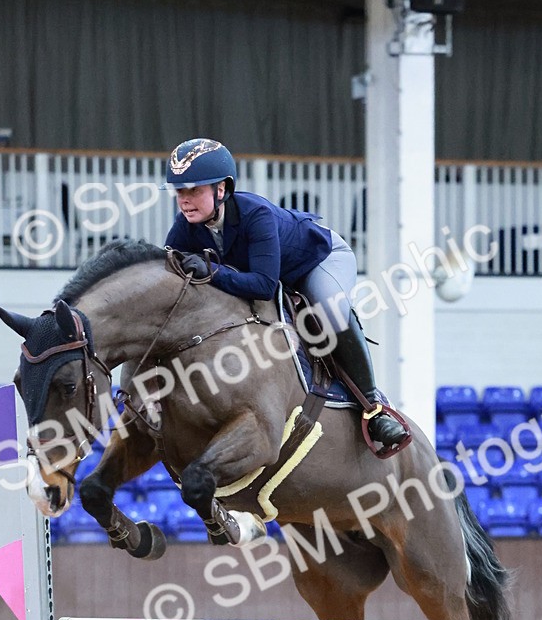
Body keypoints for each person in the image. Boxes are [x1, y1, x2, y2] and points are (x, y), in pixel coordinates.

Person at [161, 137, 407, 451]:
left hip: (317, 260)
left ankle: (374, 409)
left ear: (221, 189)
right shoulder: (185, 226)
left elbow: (264, 286)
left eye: (194, 190)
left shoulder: (256, 214)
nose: (184, 200)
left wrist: (211, 271)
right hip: (275, 272)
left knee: (328, 309)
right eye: (179, 192)